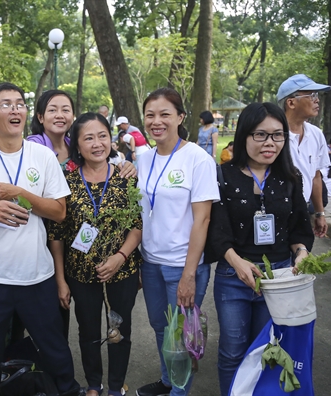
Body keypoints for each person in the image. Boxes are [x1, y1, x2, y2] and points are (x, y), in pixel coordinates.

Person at [0, 82, 81, 396]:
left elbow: (60, 212)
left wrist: (17, 193)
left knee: (54, 347)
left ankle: (68, 389)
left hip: (36, 276)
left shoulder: (42, 156)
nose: (16, 109)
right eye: (6, 104)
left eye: (20, 103)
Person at [207, 102, 314, 396]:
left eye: (277, 135)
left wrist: (302, 252)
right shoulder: (222, 176)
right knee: (232, 350)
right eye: (260, 135)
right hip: (233, 278)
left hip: (279, 280)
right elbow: (217, 233)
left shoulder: (291, 177)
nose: (270, 143)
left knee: (266, 349)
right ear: (244, 136)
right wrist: (237, 262)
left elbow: (299, 231)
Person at [48, 112, 142, 396]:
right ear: (77, 144)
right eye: (88, 138)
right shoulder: (67, 181)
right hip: (80, 274)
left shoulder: (126, 177)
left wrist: (120, 257)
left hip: (122, 271)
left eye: (102, 136)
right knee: (87, 331)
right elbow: (57, 234)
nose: (97, 143)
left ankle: (115, 387)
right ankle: (93, 384)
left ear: (111, 140)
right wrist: (61, 281)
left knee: (119, 329)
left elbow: (137, 227)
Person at [135, 88, 219, 396]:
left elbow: (203, 220)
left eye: (165, 114)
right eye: (150, 115)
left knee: (182, 334)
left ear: (180, 117)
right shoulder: (143, 159)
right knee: (160, 327)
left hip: (183, 264)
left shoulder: (197, 158)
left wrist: (188, 274)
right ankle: (168, 380)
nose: (156, 121)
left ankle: (179, 391)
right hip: (151, 261)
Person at [28, 90, 136, 177]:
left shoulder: (77, 145)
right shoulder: (32, 146)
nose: (60, 115)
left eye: (65, 110)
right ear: (40, 117)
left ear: (72, 116)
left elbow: (99, 164)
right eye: (52, 110)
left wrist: (125, 165)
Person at [277, 74, 331, 238]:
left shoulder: (316, 134)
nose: (317, 100)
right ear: (291, 102)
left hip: (303, 212)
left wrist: (320, 212)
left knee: (301, 258)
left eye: (318, 96)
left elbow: (315, 176)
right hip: (276, 212)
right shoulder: (273, 135)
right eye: (312, 95)